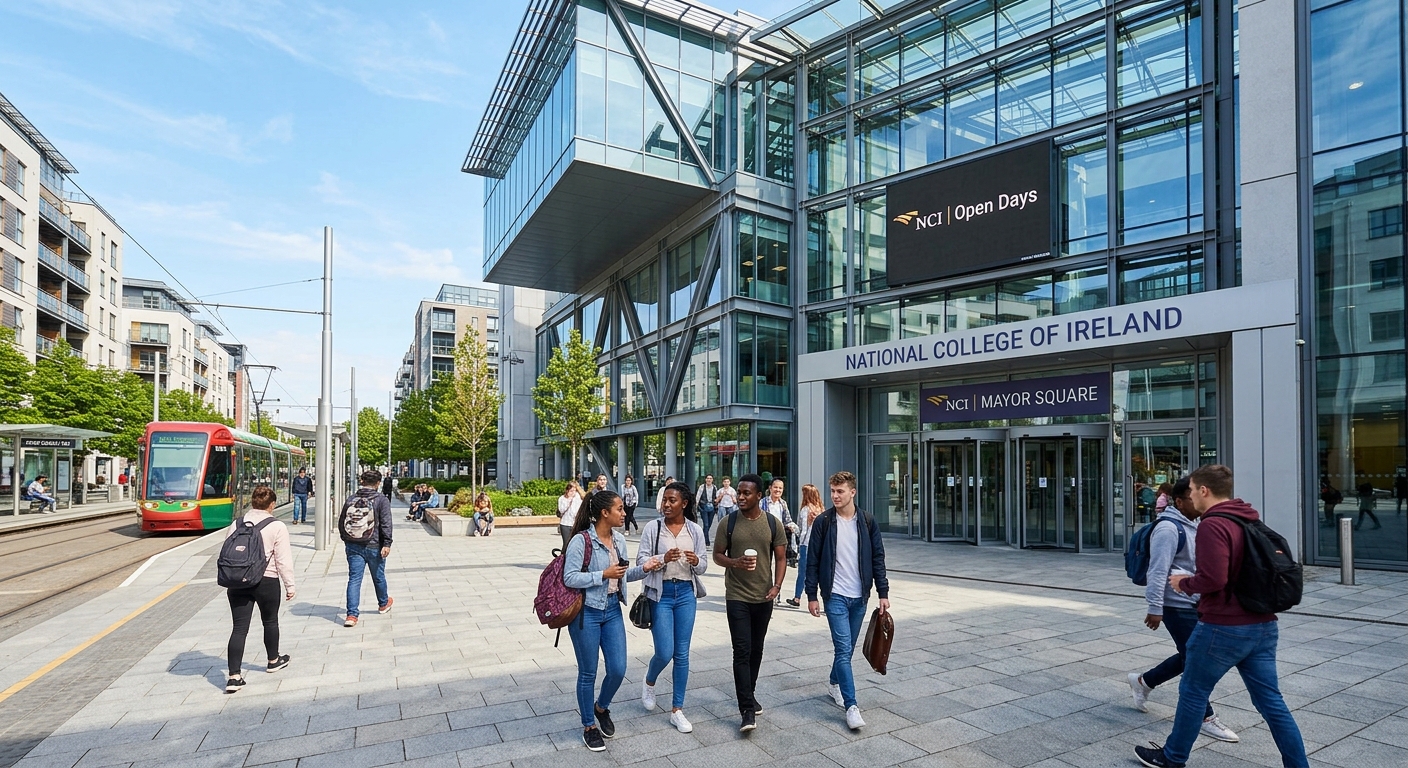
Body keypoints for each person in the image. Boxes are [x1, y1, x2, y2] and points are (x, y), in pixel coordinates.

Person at [1134, 465, 1308, 768]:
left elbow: (1213, 579)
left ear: (1204, 491)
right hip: (1263, 626)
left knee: (1193, 691)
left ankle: (1172, 758)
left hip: (1224, 626)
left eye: (1191, 491)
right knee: (1272, 703)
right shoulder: (1248, 518)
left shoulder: (1213, 524)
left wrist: (1182, 583)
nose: (1188, 496)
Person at [1127, 478, 1239, 743]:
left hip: (1195, 601)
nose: (1200, 501)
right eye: (1194, 497)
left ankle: (1144, 682)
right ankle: (1205, 717)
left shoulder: (1194, 523)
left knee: (1189, 653)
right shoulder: (1168, 528)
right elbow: (1157, 570)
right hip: (1175, 605)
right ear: (1179, 501)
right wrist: (1155, 607)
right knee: (1196, 659)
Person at [563, 490, 653, 752]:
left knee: (618, 669)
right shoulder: (582, 540)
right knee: (588, 673)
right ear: (604, 513)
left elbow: (621, 575)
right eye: (620, 509)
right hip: (586, 613)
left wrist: (645, 569)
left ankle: (601, 708)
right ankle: (589, 726)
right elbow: (570, 578)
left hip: (613, 610)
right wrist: (601, 574)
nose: (624, 513)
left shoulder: (620, 540)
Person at [804, 471, 889, 731]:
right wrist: (811, 595)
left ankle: (833, 683)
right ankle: (852, 706)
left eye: (840, 491)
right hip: (835, 596)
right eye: (832, 491)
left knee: (848, 649)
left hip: (860, 597)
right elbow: (813, 561)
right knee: (842, 650)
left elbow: (877, 558)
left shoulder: (866, 521)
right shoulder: (824, 522)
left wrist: (882, 592)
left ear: (853, 492)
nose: (835, 496)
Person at [713, 473, 787, 732]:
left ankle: (750, 693)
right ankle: (746, 709)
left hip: (763, 596)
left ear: (759, 495)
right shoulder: (728, 522)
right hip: (736, 596)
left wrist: (777, 586)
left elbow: (780, 558)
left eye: (746, 493)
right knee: (741, 650)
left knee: (756, 649)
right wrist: (734, 563)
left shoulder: (772, 524)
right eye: (739, 492)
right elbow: (717, 555)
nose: (740, 497)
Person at [636, 480, 708, 734]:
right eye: (665, 500)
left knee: (682, 653)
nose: (666, 504)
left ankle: (677, 709)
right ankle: (649, 680)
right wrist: (661, 559)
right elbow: (641, 561)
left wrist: (696, 560)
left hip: (686, 592)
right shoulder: (653, 529)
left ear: (684, 504)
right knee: (664, 652)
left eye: (672, 500)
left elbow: (703, 565)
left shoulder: (695, 530)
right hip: (661, 594)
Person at [223, 485, 295, 694]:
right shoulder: (277, 526)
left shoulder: (236, 523)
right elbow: (283, 560)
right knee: (270, 621)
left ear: (252, 502)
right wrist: (290, 585)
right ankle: (273, 660)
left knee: (239, 628)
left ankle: (234, 677)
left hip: (237, 581)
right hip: (266, 580)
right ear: (272, 505)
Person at [341, 470, 394, 628]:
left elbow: (342, 521)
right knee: (378, 576)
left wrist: (347, 540)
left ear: (362, 481)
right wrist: (387, 544)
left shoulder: (351, 499)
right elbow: (386, 523)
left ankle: (351, 615)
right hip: (374, 544)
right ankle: (383, 603)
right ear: (378, 483)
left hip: (353, 544)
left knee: (354, 579)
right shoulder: (381, 500)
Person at [760, 479, 798, 605]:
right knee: (765, 566)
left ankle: (776, 592)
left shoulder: (783, 503)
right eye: (775, 487)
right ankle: (764, 591)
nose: (778, 490)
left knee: (779, 565)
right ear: (770, 488)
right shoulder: (763, 503)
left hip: (779, 539)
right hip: (765, 538)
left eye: (780, 488)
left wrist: (793, 527)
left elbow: (787, 519)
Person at [787, 484, 824, 608]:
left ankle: (797, 598)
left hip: (806, 544)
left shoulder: (805, 510)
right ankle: (825, 600)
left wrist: (793, 528)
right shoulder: (821, 510)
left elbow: (802, 530)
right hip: (819, 545)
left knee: (802, 572)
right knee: (819, 573)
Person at [558, 481, 583, 551]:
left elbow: (579, 510)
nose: (573, 493)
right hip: (565, 523)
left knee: (575, 543)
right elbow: (561, 510)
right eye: (571, 491)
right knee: (566, 543)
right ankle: (562, 558)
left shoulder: (578, 498)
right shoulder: (562, 498)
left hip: (575, 523)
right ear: (567, 490)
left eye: (574, 491)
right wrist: (568, 501)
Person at [696, 475, 718, 545]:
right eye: (708, 478)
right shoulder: (702, 487)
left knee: (709, 524)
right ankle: (706, 541)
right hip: (703, 507)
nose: (709, 480)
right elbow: (698, 496)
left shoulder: (714, 487)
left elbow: (716, 496)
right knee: (706, 524)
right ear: (705, 479)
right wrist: (696, 506)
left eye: (710, 478)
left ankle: (701, 537)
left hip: (712, 507)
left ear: (712, 480)